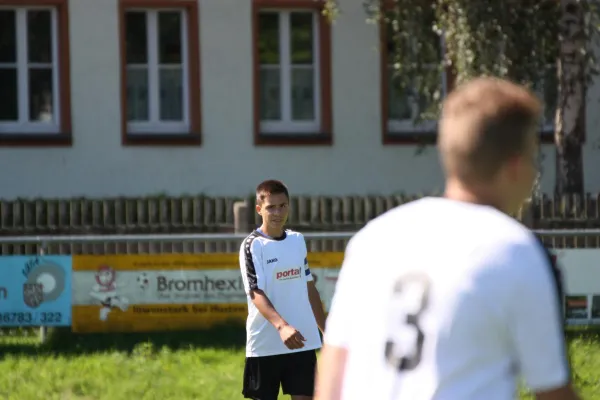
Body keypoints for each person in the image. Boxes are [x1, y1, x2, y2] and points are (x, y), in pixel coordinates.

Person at [315, 77, 580, 400]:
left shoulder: (372, 240)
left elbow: (330, 382)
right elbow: (553, 392)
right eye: (532, 158)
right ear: (514, 166)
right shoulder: (513, 251)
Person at [239, 179, 327, 400]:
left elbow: (309, 286)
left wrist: (327, 330)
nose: (278, 212)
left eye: (282, 205)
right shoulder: (253, 245)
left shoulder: (297, 240)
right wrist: (282, 327)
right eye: (271, 207)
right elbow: (255, 292)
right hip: (265, 345)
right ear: (259, 209)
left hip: (302, 342)